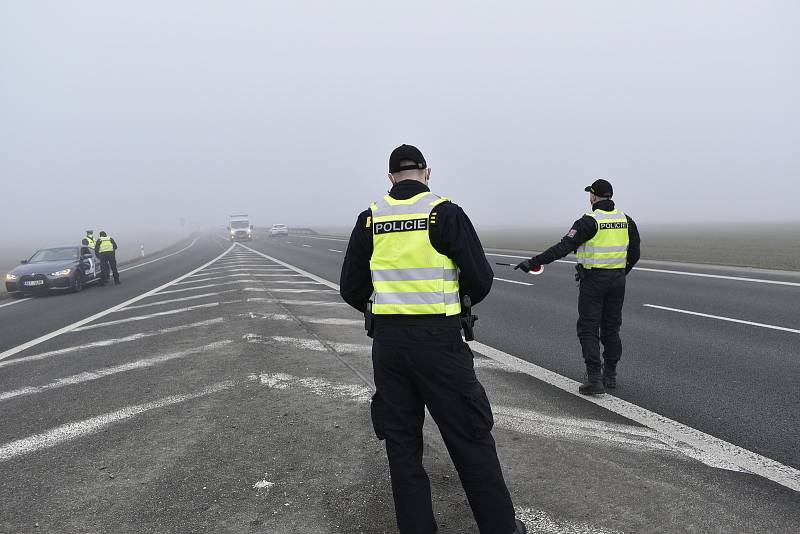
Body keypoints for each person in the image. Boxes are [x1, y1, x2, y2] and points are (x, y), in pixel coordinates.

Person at [340, 144, 526, 534]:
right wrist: (452, 303)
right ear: (426, 172)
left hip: (388, 347)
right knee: (471, 441)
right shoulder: (444, 213)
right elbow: (481, 278)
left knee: (403, 449)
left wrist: (386, 310)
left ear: (390, 177)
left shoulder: (370, 219)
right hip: (440, 342)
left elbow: (350, 288)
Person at [515, 178, 640, 394]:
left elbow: (563, 247)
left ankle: (594, 378)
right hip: (618, 281)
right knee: (611, 328)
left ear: (593, 196)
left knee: (588, 327)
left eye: (590, 194)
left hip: (593, 282)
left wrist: (533, 262)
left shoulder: (588, 221)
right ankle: (610, 375)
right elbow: (635, 253)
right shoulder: (626, 220)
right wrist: (621, 272)